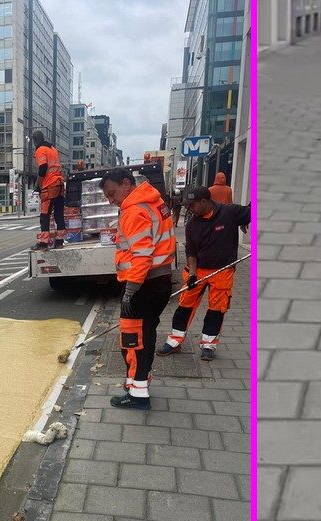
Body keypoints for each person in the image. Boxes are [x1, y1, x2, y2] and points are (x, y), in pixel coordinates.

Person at [99, 168, 175, 410]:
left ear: (126, 183)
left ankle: (138, 394)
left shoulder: (134, 210)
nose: (112, 200)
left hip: (143, 285)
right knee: (147, 334)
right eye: (108, 197)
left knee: (133, 340)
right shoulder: (154, 201)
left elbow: (142, 255)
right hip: (159, 280)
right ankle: (136, 382)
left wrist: (130, 292)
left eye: (112, 193)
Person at [157, 187, 251, 362]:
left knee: (216, 309)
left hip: (223, 270)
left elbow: (252, 212)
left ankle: (208, 345)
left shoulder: (230, 212)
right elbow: (191, 252)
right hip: (197, 270)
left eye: (192, 205)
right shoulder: (192, 224)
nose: (189, 209)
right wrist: (192, 274)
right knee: (184, 306)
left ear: (204, 201)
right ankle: (175, 340)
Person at [32, 130, 65, 250]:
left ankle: (43, 242)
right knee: (59, 215)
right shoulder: (53, 149)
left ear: (34, 141)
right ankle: (60, 241)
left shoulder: (40, 150)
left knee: (44, 215)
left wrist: (37, 184)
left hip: (50, 185)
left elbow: (43, 169)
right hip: (60, 184)